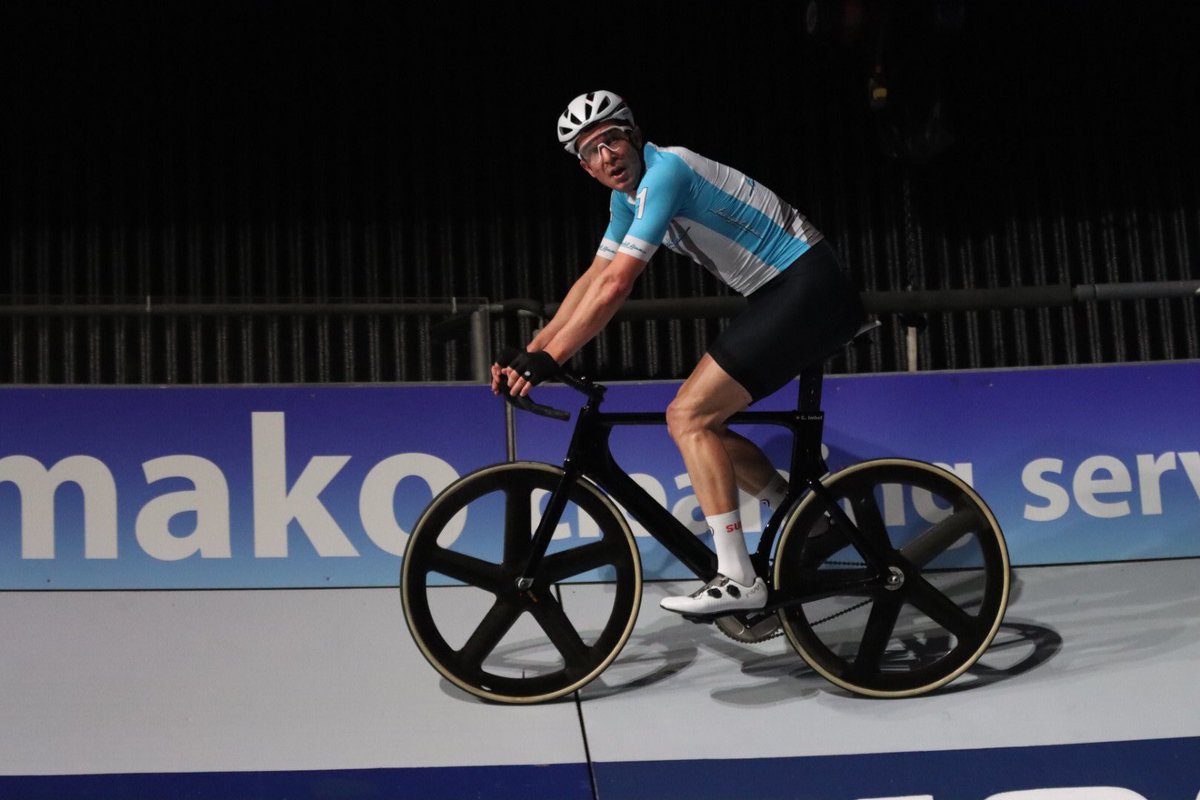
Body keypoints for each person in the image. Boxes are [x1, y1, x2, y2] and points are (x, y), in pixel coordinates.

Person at [492, 90, 865, 615]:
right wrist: (533, 351)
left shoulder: (667, 172)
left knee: (688, 416)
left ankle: (739, 578)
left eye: (612, 140)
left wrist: (550, 361)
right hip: (785, 291)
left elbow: (618, 285)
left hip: (806, 285)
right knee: (698, 423)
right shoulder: (626, 200)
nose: (607, 157)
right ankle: (808, 520)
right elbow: (593, 277)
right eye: (591, 152)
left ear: (634, 137)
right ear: (585, 168)